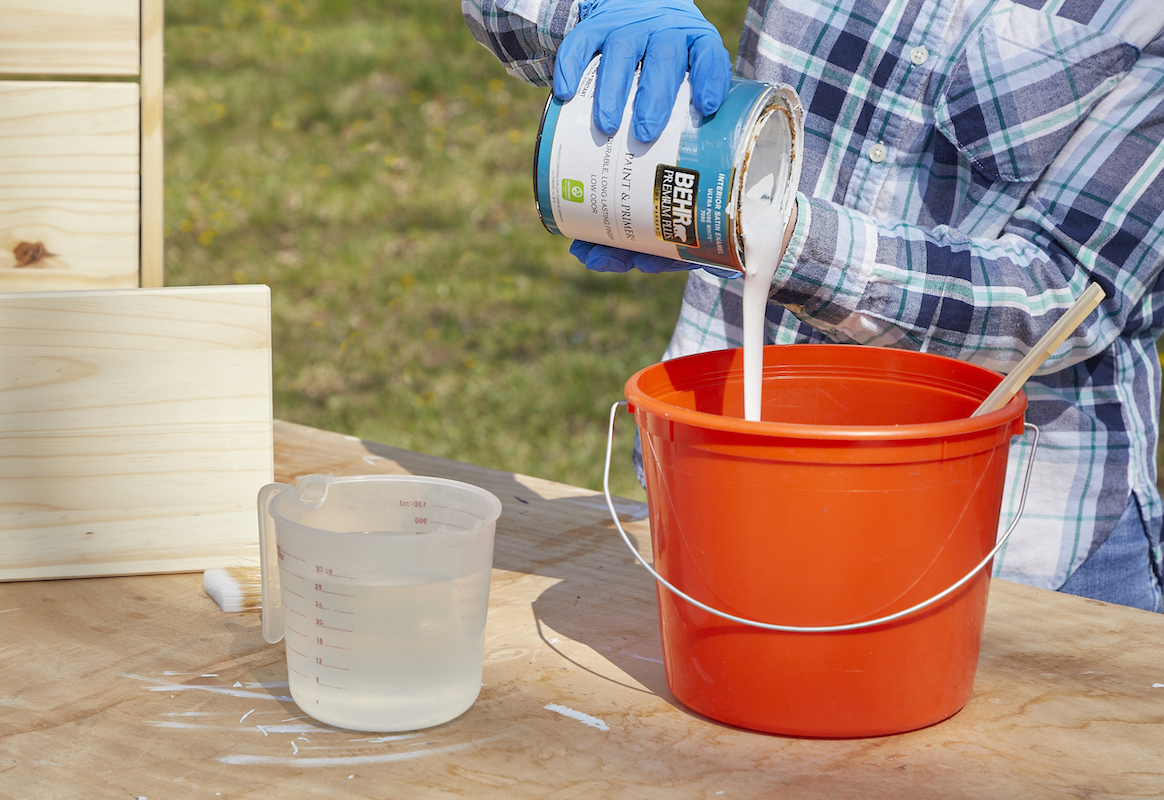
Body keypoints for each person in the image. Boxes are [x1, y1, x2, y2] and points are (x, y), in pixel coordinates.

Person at [463, 0, 1164, 612]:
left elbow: (1062, 294)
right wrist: (605, 9)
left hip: (1019, 539)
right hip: (725, 488)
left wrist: (772, 235)